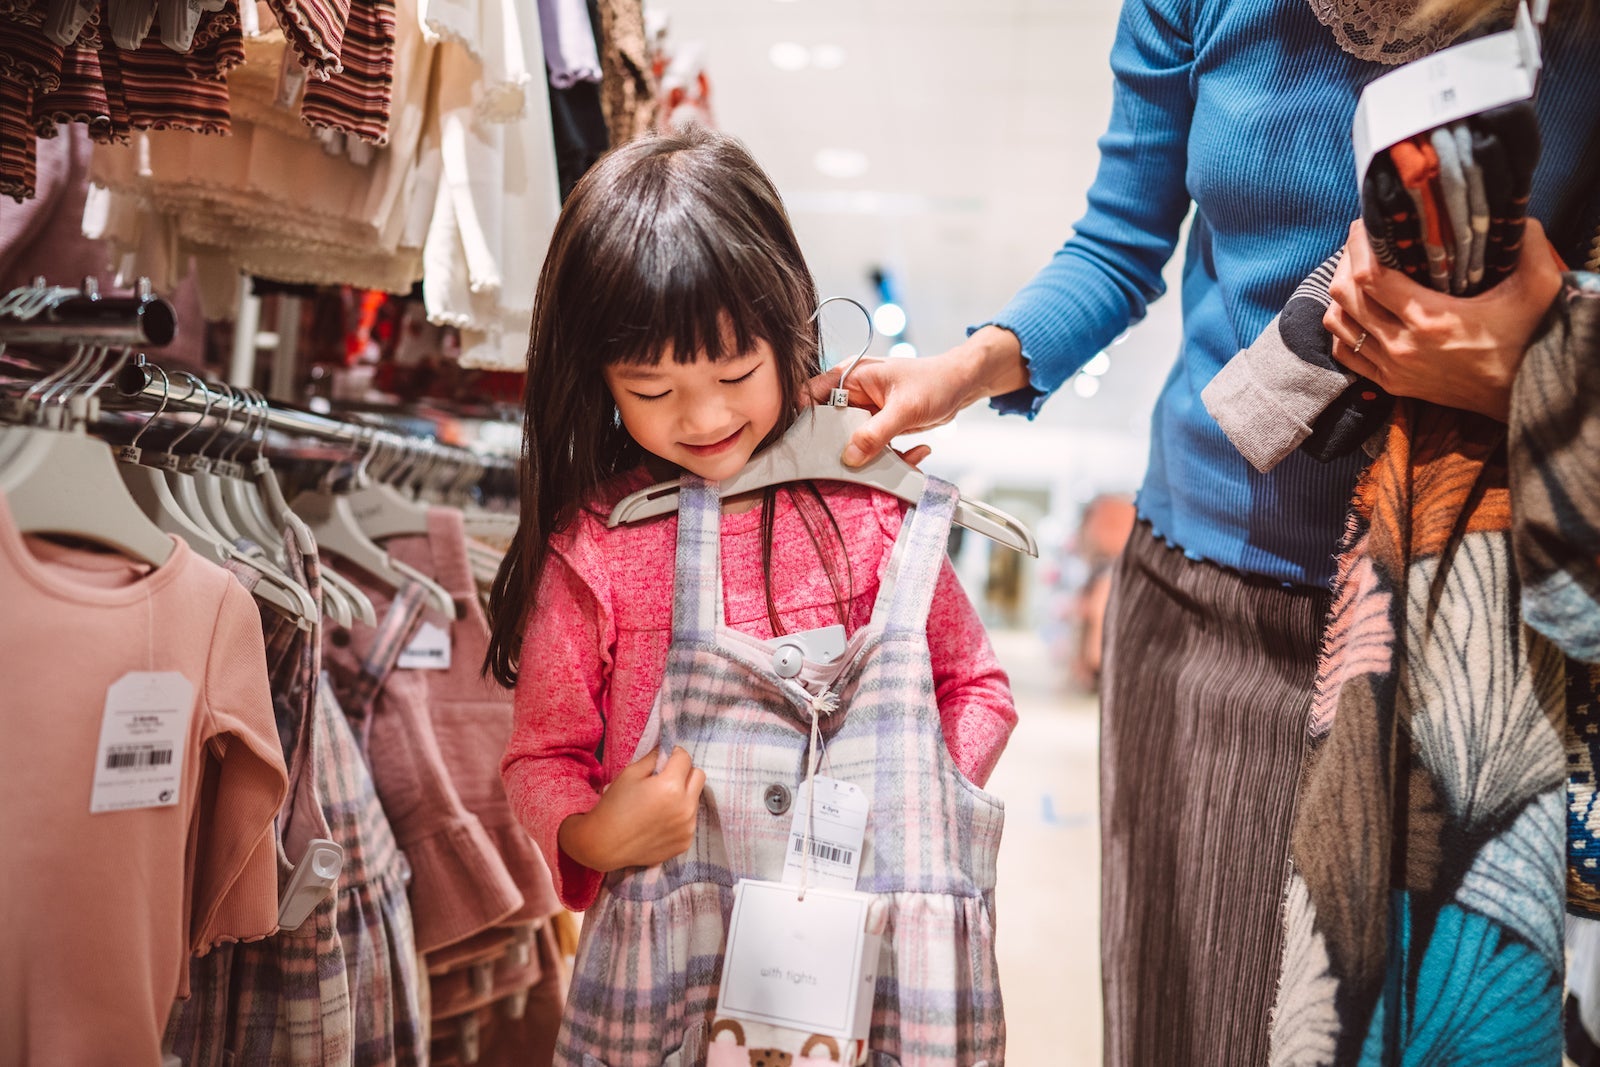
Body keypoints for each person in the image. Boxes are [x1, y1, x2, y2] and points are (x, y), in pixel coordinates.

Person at [807, 1, 1600, 1063]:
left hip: (1453, 614)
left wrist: (1520, 361)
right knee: (1186, 1018)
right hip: (1199, 597)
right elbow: (1120, 238)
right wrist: (965, 367)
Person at [486, 129, 1017, 1066]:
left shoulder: (868, 512)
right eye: (650, 388)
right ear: (599, 380)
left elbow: (976, 685)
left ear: (787, 330)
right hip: (668, 974)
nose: (702, 417)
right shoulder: (601, 548)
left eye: (734, 376)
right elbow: (541, 754)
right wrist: (594, 831)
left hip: (874, 956)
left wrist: (926, 791)